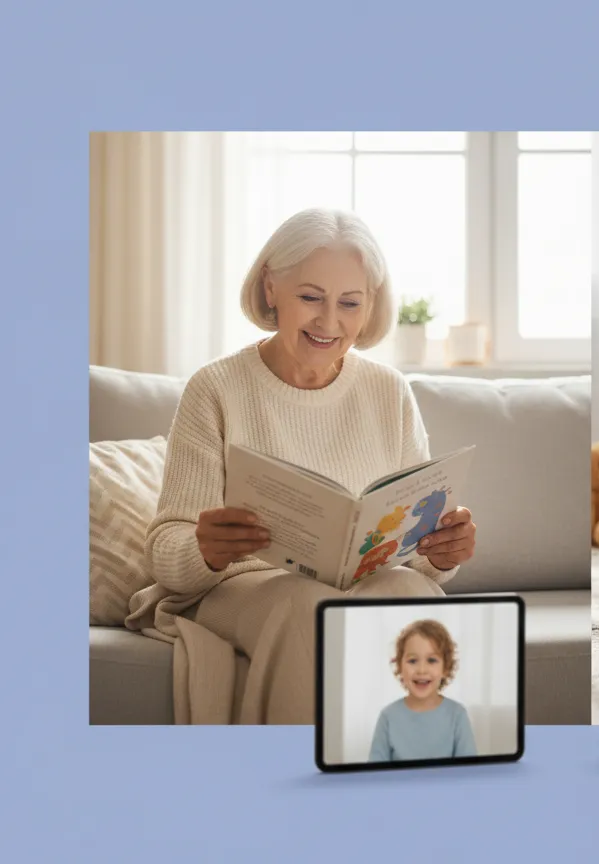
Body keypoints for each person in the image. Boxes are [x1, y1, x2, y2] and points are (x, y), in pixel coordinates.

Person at [127, 208, 477, 724]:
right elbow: (166, 555)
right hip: (237, 588)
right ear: (271, 288)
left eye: (349, 303)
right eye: (310, 297)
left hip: (355, 582)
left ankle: (422, 767)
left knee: (407, 591)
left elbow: (418, 562)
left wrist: (442, 553)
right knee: (308, 605)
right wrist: (204, 547)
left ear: (370, 305)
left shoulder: (389, 391)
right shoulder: (216, 388)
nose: (329, 322)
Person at [369, 619, 478, 762]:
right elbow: (375, 774)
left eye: (431, 660)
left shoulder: (457, 715)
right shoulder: (388, 717)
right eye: (413, 661)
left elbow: (469, 772)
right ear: (400, 667)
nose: (421, 670)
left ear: (445, 668)